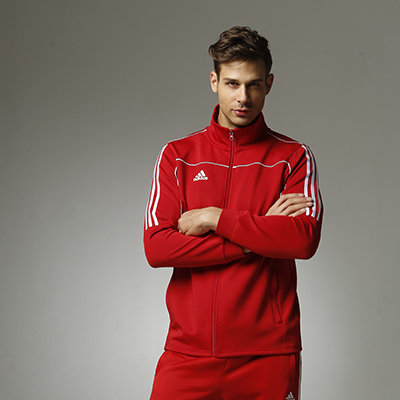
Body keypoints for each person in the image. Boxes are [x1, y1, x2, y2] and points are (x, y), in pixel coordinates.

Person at [144, 26, 323, 400]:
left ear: (269, 84)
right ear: (214, 82)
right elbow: (158, 247)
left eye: (254, 85)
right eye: (232, 84)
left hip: (269, 355)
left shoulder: (293, 157)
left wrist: (215, 218)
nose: (243, 97)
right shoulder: (178, 157)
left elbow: (303, 240)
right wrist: (254, 238)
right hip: (188, 354)